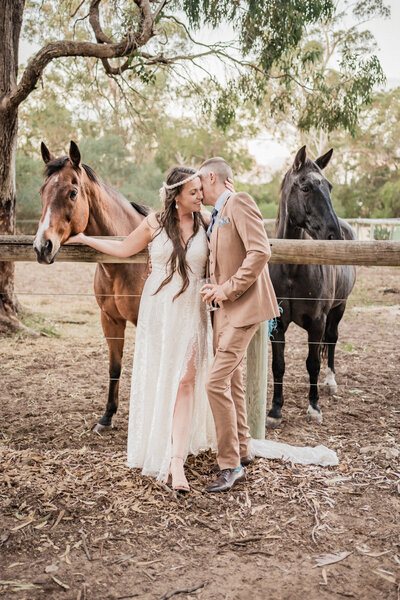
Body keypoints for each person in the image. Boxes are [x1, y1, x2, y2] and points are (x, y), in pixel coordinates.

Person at [66, 166, 216, 491]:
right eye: (194, 192)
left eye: (201, 191)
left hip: (192, 311)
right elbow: (122, 250)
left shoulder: (207, 223)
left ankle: (177, 461)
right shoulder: (154, 223)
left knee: (187, 380)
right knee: (164, 378)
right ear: (176, 196)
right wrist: (85, 238)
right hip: (159, 310)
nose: (201, 196)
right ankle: (159, 442)